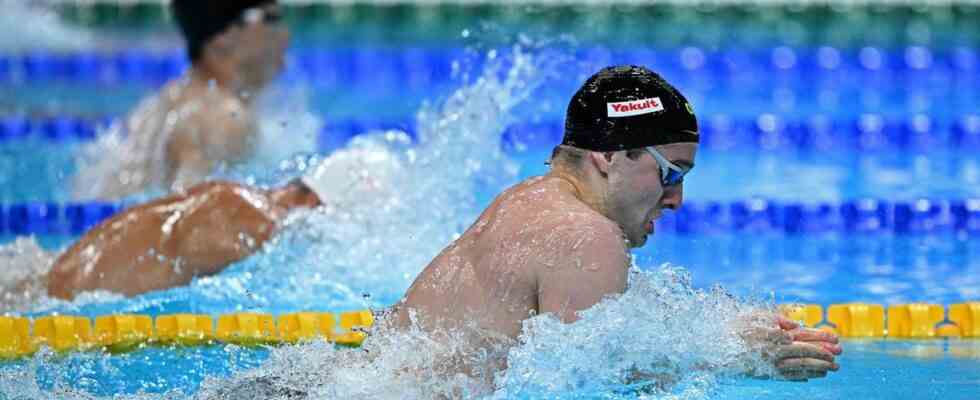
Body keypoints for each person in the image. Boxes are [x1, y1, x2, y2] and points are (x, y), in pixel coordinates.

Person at [390, 66, 842, 385]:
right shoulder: (585, 234)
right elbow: (580, 383)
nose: (677, 199)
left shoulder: (527, 199)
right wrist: (738, 356)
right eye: (672, 172)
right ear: (608, 156)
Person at [47, 145, 400, 300]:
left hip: (55, 279)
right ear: (313, 202)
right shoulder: (251, 220)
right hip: (61, 300)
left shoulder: (243, 200)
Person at [74, 0, 289, 200]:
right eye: (272, 18)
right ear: (224, 35)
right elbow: (187, 220)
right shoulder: (223, 118)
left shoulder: (162, 102)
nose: (286, 34)